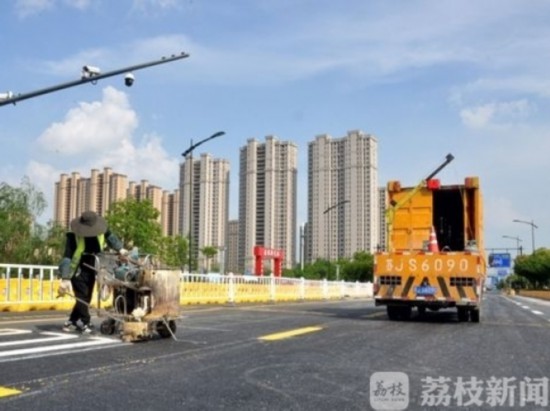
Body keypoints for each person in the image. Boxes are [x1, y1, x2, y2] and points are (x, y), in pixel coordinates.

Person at [58, 211, 126, 334]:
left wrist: (120, 249)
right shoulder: (73, 236)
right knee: (82, 295)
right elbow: (67, 256)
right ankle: (85, 322)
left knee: (86, 296)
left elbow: (111, 238)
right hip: (77, 268)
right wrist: (65, 277)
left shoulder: (101, 230)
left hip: (93, 266)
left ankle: (71, 321)